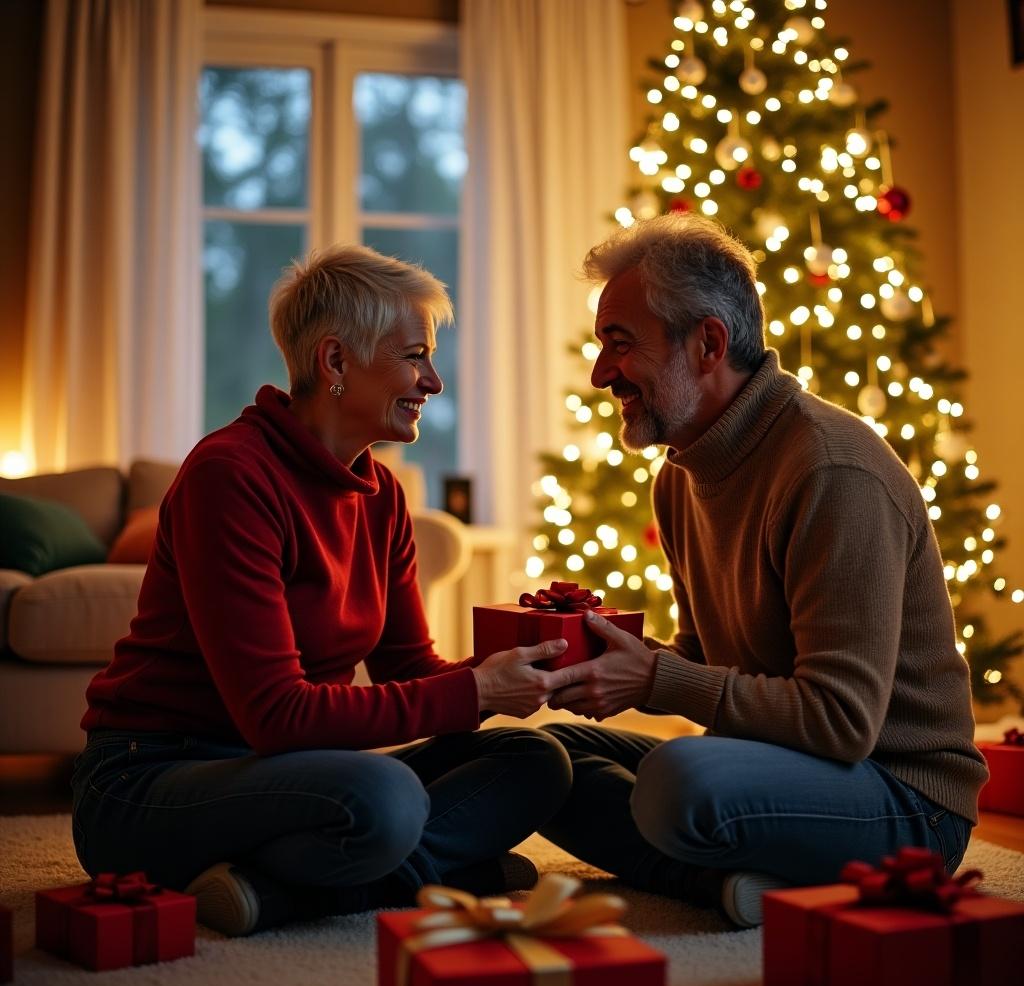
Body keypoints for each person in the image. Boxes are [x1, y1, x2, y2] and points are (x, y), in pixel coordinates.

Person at [73, 245, 572, 937]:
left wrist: (511, 674)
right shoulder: (231, 476)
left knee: (535, 762)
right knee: (384, 798)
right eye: (415, 357)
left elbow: (410, 671)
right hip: (151, 782)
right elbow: (275, 717)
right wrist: (478, 692)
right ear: (335, 363)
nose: (434, 381)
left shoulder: (383, 496)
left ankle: (283, 891)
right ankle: (436, 875)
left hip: (290, 776)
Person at [537, 214, 988, 928]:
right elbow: (705, 660)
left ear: (709, 343)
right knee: (542, 762)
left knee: (677, 783)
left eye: (620, 346)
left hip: (905, 801)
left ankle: (741, 873)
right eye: (601, 347)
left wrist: (656, 680)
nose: (600, 375)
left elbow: (841, 722)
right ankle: (739, 886)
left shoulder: (831, 470)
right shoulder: (680, 477)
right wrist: (602, 658)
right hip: (786, 767)